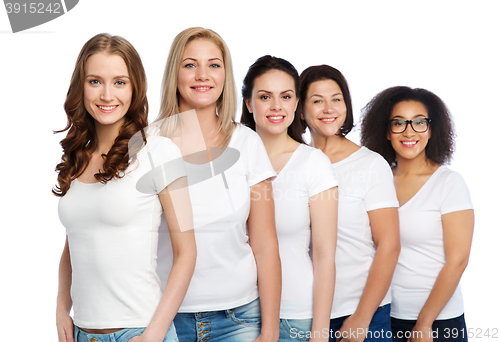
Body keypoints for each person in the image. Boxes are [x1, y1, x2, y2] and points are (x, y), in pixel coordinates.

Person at [54, 33, 196, 342]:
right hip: (81, 334)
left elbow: (187, 253)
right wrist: (61, 307)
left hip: (140, 331)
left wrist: (154, 334)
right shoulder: (77, 157)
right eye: (95, 81)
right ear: (82, 86)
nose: (107, 95)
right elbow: (75, 241)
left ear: (135, 88)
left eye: (119, 82)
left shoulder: (160, 152)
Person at [155, 27, 281, 342]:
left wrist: (270, 331)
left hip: (238, 319)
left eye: (213, 64)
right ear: (175, 73)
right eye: (190, 64)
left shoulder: (247, 143)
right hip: (163, 319)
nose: (202, 75)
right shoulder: (147, 143)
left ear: (225, 74)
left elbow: (264, 245)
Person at [360, 86, 474, 342]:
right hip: (384, 316)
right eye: (398, 123)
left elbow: (458, 260)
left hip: (438, 322)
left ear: (431, 130)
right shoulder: (378, 181)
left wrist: (424, 323)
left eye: (419, 122)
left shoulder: (449, 183)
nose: (409, 131)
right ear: (386, 132)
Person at [299, 65, 401, 342]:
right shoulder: (292, 162)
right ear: (301, 109)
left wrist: (361, 318)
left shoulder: (369, 164)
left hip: (358, 314)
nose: (328, 108)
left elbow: (389, 246)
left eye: (336, 99)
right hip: (301, 316)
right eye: (317, 100)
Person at [241, 55, 338, 341]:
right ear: (248, 103)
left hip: (294, 318)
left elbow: (324, 255)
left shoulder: (313, 163)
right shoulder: (230, 160)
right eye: (264, 96)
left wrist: (319, 333)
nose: (276, 106)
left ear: (296, 103)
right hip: (233, 314)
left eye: (285, 96)